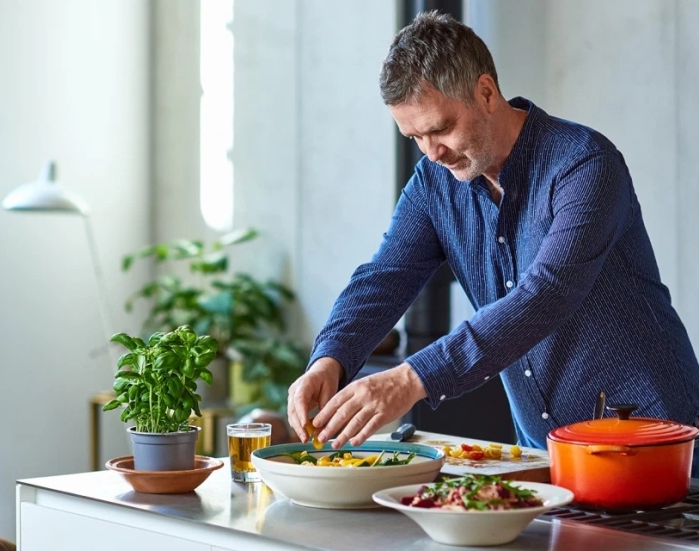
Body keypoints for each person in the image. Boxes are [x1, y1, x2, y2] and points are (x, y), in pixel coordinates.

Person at [287, 10, 699, 476]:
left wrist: (414, 377)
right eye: (414, 136)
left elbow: (546, 294)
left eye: (440, 128)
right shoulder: (433, 184)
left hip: (654, 444)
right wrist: (330, 358)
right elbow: (384, 276)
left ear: (486, 92)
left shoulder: (584, 165)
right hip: (542, 454)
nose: (431, 152)